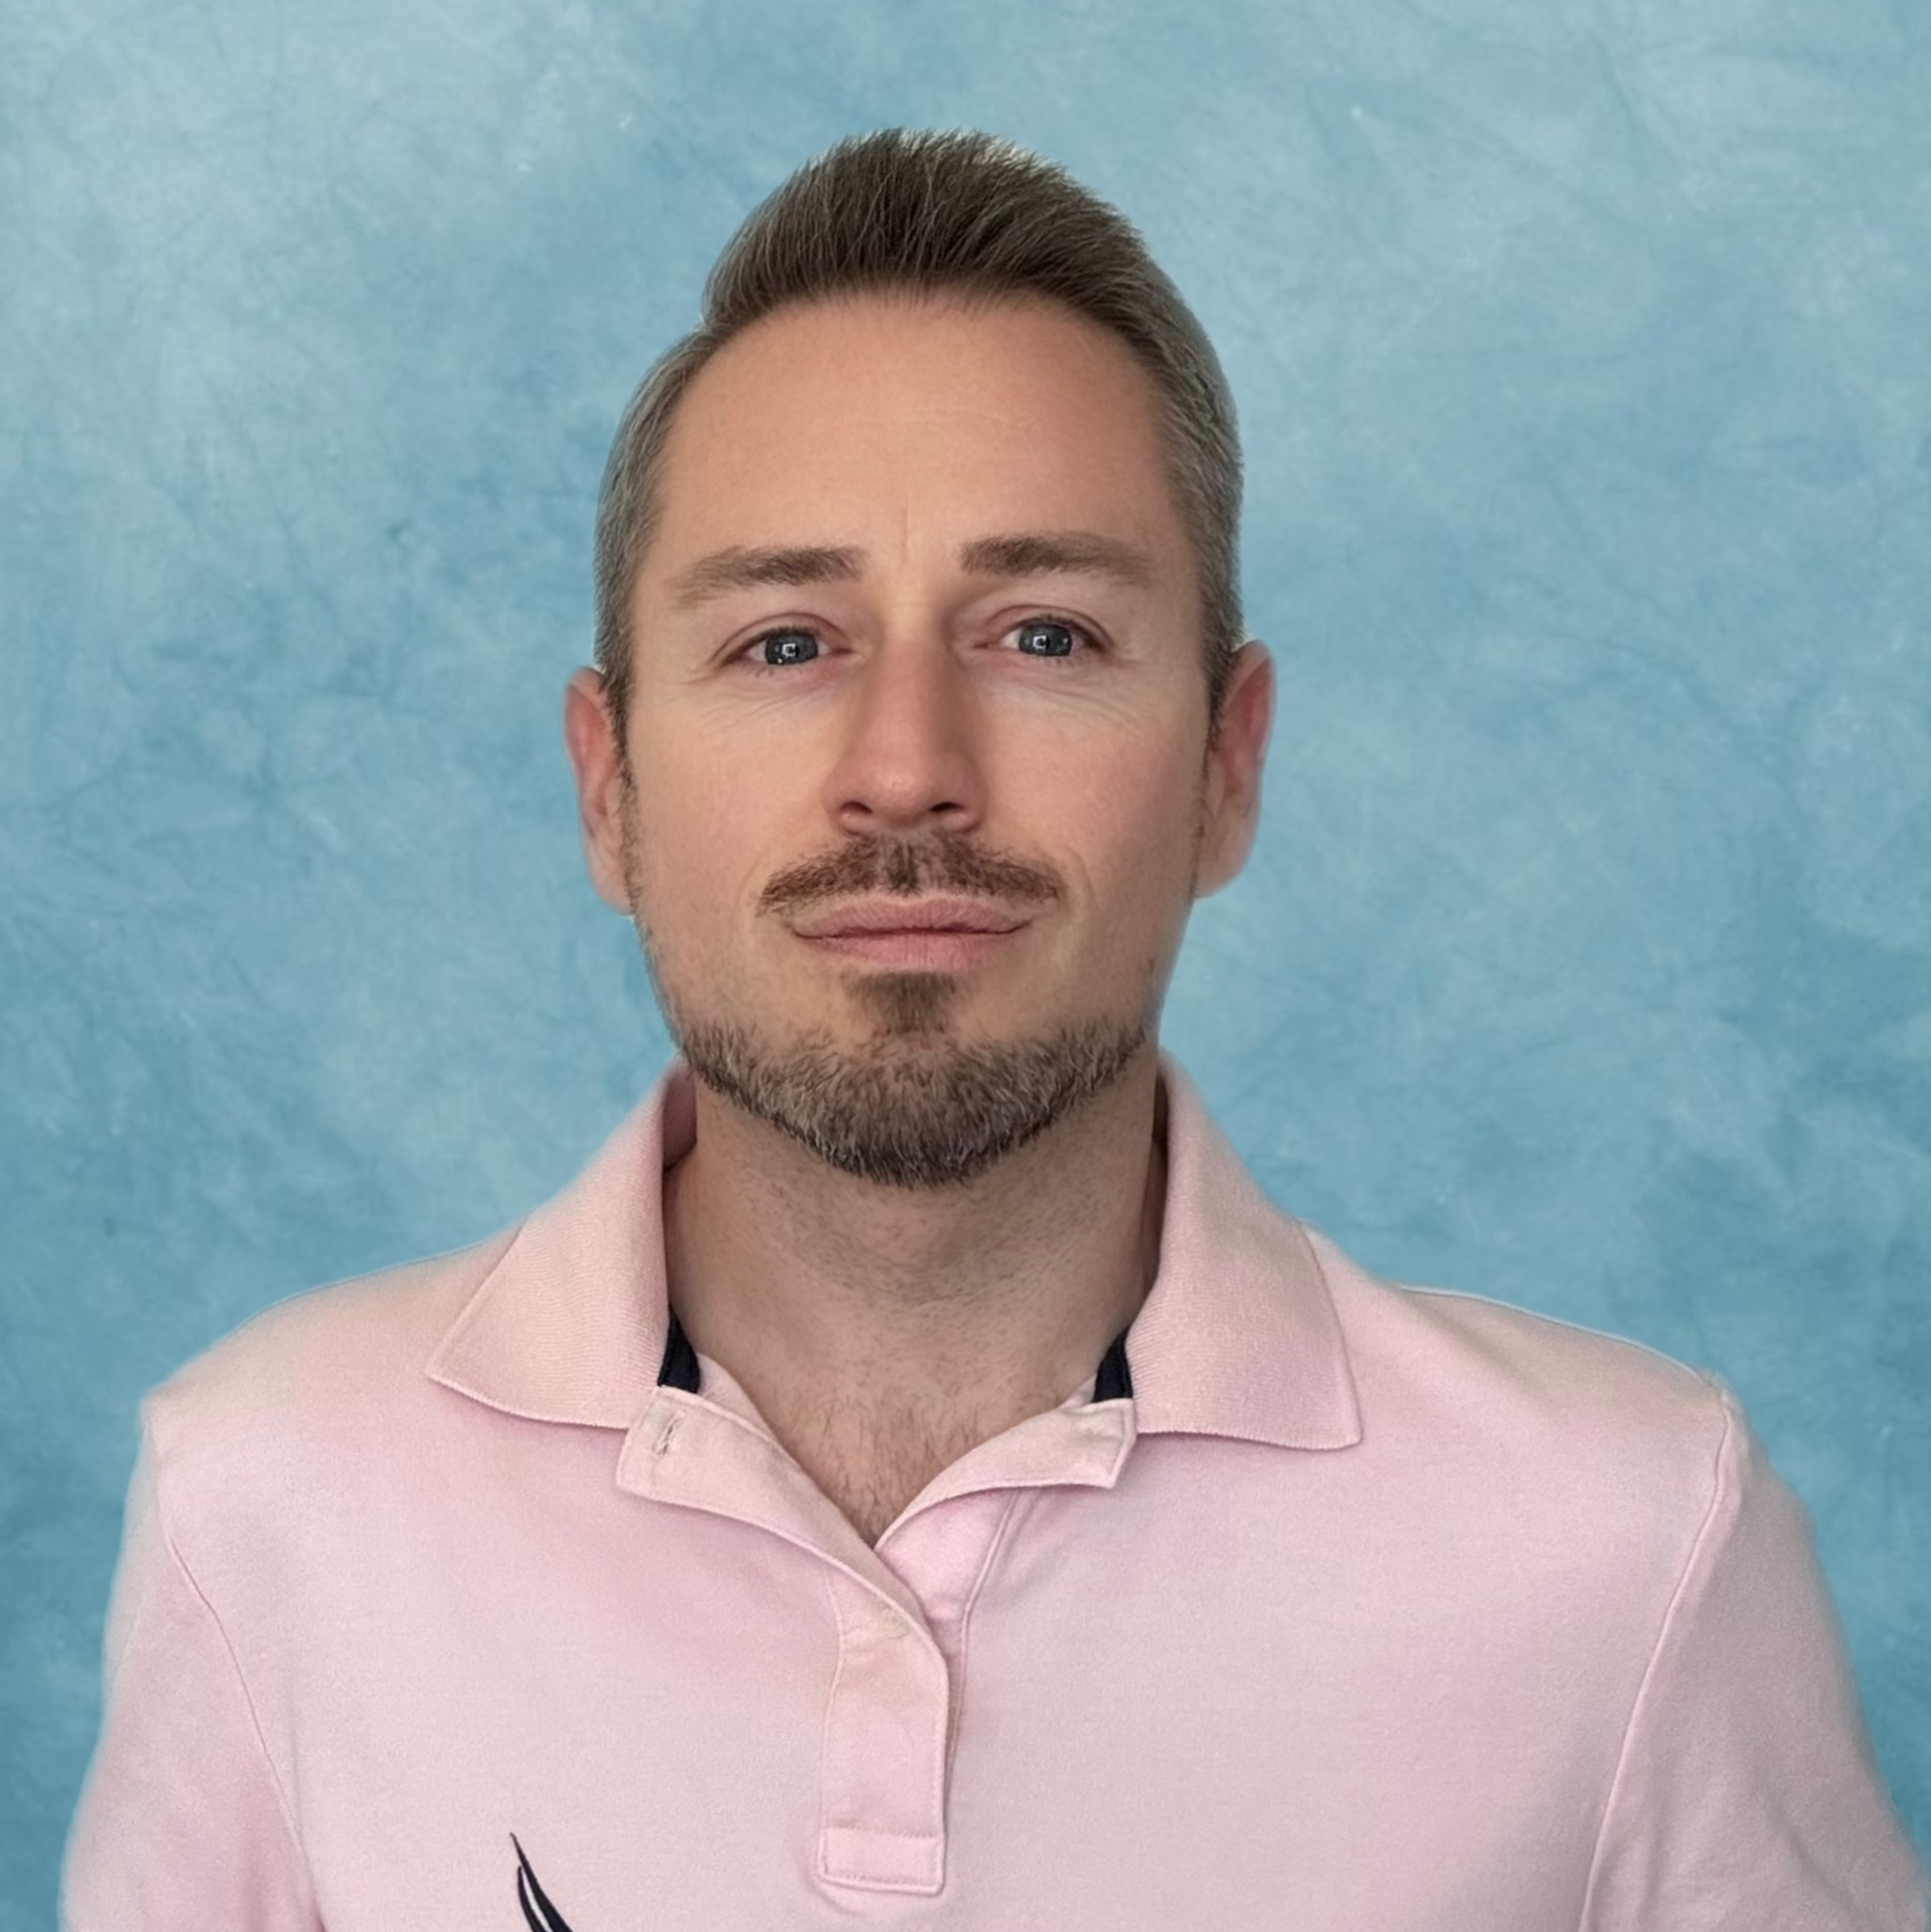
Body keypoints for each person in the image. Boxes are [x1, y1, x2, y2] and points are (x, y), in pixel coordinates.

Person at [61, 127, 1928, 1931]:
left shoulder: (1632, 1542)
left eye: (1042, 635)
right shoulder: (265, 1498)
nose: (904, 771)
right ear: (608, 787)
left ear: (1225, 765)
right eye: (784, 641)